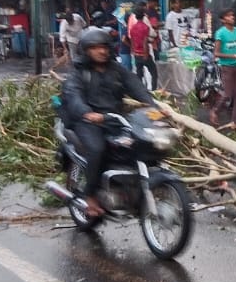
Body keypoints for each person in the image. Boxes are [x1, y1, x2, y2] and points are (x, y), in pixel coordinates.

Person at [61, 28, 162, 218]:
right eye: (95, 48)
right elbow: (73, 96)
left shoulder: (117, 69)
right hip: (87, 122)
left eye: (104, 47)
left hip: (115, 119)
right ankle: (90, 196)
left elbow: (136, 86)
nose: (101, 51)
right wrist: (87, 113)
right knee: (98, 149)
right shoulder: (78, 73)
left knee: (139, 143)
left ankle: (128, 186)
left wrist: (153, 106)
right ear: (86, 50)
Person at [211, 9, 236, 127]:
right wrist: (233, 55)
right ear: (223, 20)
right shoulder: (220, 33)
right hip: (227, 66)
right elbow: (216, 53)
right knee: (227, 94)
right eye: (229, 16)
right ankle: (215, 111)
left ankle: (234, 121)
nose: (232, 17)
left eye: (233, 15)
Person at [128, 8, 157, 90]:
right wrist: (146, 54)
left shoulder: (132, 28)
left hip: (136, 55)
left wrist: (133, 52)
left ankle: (141, 90)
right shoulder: (145, 27)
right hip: (144, 54)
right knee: (154, 73)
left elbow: (132, 41)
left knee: (139, 75)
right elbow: (145, 42)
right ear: (143, 17)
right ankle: (153, 91)